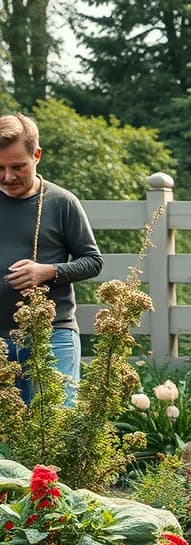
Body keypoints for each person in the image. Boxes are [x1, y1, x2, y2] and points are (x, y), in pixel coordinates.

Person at [0, 113, 103, 406]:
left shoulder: (61, 202)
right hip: (0, 342)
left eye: (18, 166)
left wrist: (47, 271)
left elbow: (92, 261)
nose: (8, 176)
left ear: (37, 155)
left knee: (55, 432)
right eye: (0, 167)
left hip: (53, 336)